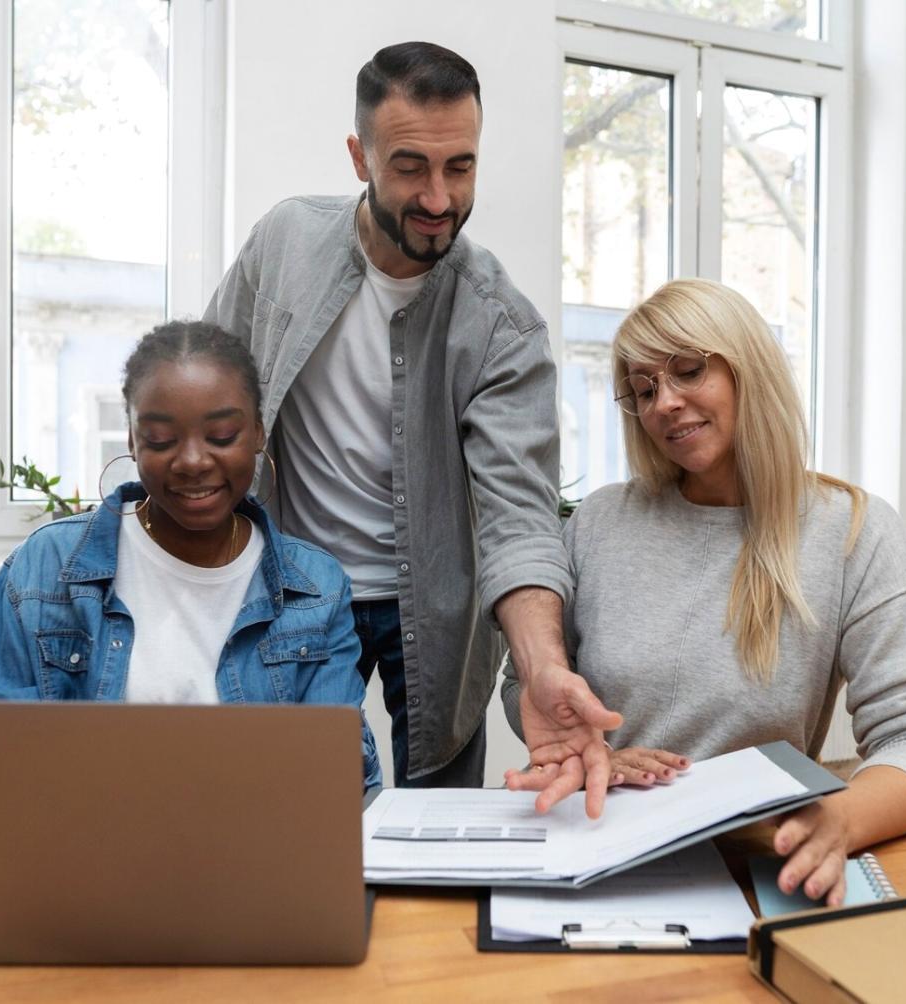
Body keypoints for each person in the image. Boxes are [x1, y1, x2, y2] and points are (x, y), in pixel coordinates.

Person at [204, 41, 617, 807]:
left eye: (459, 167)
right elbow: (209, 386)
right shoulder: (284, 241)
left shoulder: (501, 325)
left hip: (435, 608)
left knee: (441, 826)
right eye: (410, 167)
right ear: (360, 157)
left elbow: (518, 517)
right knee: (290, 806)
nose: (437, 198)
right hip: (296, 584)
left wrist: (541, 666)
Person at [502, 278, 906, 903]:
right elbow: (526, 687)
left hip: (756, 865)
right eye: (644, 389)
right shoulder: (599, 522)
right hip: (596, 851)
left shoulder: (852, 529)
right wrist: (596, 756)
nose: (664, 402)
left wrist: (842, 819)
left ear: (750, 367)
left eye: (688, 371)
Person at [0, 320, 382, 792]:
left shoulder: (315, 587)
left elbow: (337, 781)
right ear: (132, 440)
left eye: (222, 435)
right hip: (81, 855)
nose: (192, 461)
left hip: (253, 857)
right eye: (161, 440)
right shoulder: (46, 569)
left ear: (259, 433)